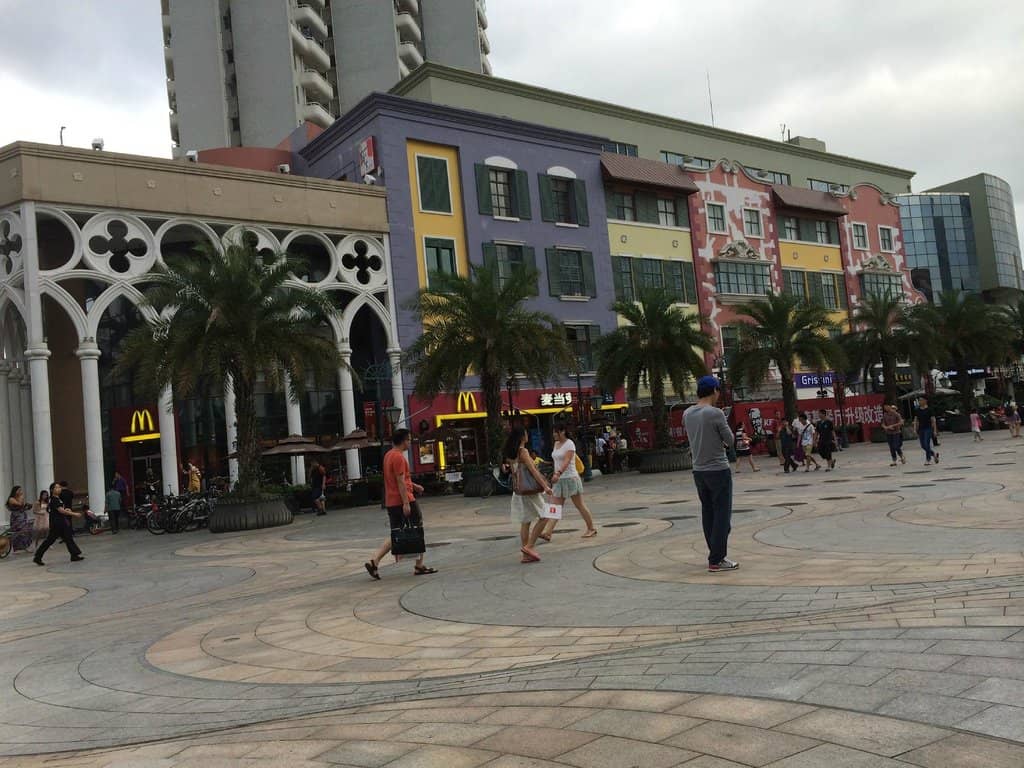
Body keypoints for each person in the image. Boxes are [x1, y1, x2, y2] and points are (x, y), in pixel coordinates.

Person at [364, 429, 436, 579]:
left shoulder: (388, 455)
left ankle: (374, 561)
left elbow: (398, 479)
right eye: (409, 439)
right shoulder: (398, 457)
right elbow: (400, 481)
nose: (410, 442)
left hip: (391, 500)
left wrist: (415, 486)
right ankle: (419, 565)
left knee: (397, 532)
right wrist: (406, 503)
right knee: (417, 528)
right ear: (403, 441)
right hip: (403, 499)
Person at [684, 375, 737, 572]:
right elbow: (730, 440)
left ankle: (715, 553)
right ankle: (717, 559)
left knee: (708, 512)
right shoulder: (715, 413)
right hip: (718, 469)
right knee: (722, 514)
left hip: (698, 471)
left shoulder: (687, 413)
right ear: (714, 390)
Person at [503, 427, 552, 563]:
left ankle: (526, 555)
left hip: (519, 491)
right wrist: (545, 486)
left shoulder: (511, 453)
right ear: (522, 437)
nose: (527, 435)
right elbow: (534, 471)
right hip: (529, 490)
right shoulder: (523, 451)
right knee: (545, 516)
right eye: (525, 433)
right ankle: (529, 546)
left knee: (526, 521)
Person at [542, 424, 598, 540]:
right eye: (553, 432)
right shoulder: (556, 444)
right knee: (555, 506)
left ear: (563, 431)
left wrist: (558, 473)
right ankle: (548, 532)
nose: (554, 434)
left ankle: (591, 528)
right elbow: (556, 461)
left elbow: (567, 461)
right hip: (559, 480)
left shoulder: (570, 444)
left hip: (570, 478)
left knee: (579, 505)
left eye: (556, 432)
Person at [33, 481, 84, 565]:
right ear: (52, 490)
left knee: (68, 538)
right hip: (57, 523)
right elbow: (60, 511)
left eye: (59, 487)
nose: (59, 489)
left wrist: (67, 510)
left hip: (60, 522)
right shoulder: (54, 499)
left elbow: (59, 509)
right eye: (57, 487)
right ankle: (38, 557)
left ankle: (74, 555)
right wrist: (74, 514)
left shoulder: (57, 499)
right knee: (50, 540)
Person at [913, 397, 940, 465]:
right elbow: (916, 420)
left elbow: (933, 420)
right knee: (923, 445)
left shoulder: (929, 410)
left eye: (921, 400)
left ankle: (928, 459)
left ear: (925, 401)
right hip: (920, 429)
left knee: (926, 443)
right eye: (919, 400)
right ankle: (933, 454)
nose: (920, 401)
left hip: (928, 428)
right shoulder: (917, 410)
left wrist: (935, 430)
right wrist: (915, 429)